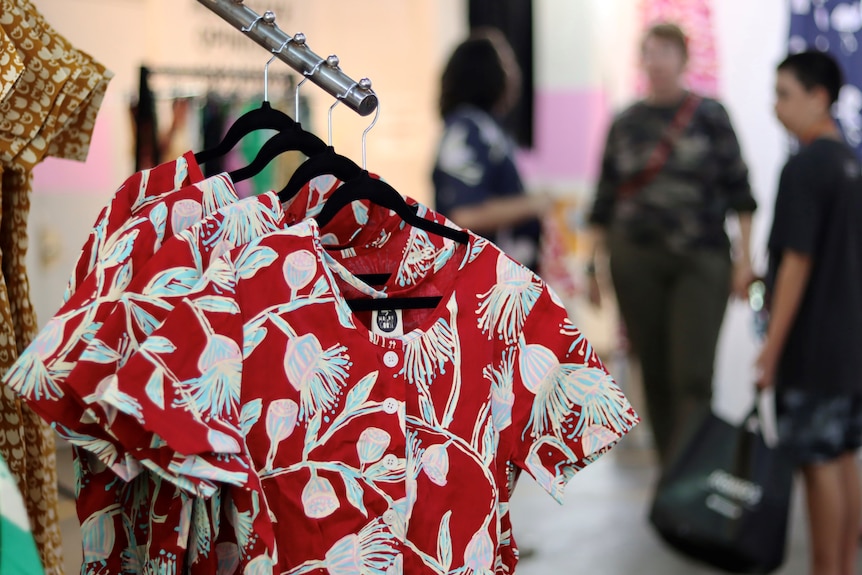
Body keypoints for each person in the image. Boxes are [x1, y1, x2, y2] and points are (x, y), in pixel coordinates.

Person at [587, 23, 757, 468]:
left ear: (684, 60)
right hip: (635, 260)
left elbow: (742, 193)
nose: (657, 61)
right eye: (650, 52)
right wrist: (591, 268)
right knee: (655, 373)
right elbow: (603, 201)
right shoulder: (625, 123)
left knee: (693, 375)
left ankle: (693, 473)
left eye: (666, 52)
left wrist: (746, 259)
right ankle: (671, 474)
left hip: (700, 259)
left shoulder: (711, 115)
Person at [757, 50, 862, 575]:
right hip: (848, 347)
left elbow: (797, 264)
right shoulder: (849, 163)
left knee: (820, 464)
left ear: (818, 97)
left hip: (814, 346)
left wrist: (769, 351)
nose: (775, 107)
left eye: (783, 94)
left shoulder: (803, 167)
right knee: (842, 456)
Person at [433, 28, 547, 272]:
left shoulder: (488, 128)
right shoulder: (467, 129)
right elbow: (465, 213)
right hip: (482, 283)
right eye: (507, 63)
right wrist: (534, 204)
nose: (514, 73)